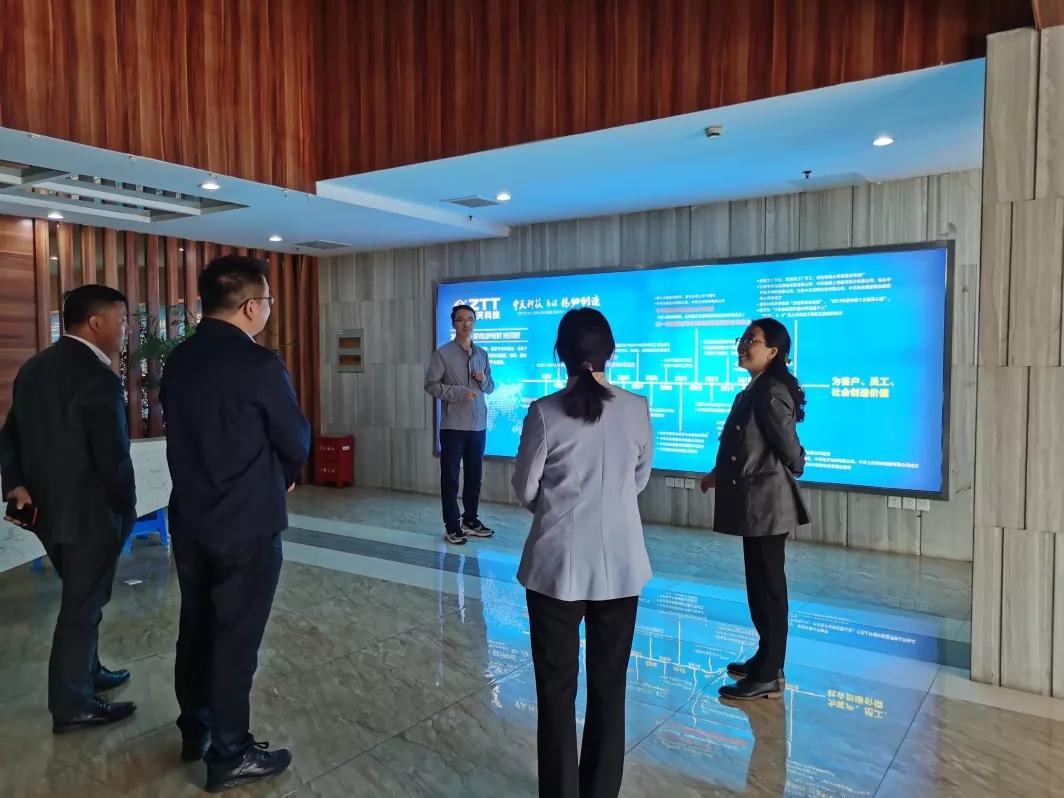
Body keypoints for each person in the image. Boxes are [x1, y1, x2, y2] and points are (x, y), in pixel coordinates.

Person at [161, 255, 310, 792]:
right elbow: (295, 439)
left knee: (197, 626)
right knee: (235, 639)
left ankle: (196, 730)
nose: (268, 310)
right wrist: (283, 475)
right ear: (250, 306)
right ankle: (230, 755)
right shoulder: (259, 365)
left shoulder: (179, 359)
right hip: (246, 523)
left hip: (191, 520)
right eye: (267, 301)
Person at [512, 307, 653, 798]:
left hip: (557, 567)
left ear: (561, 354)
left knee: (556, 692)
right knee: (609, 688)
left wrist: (559, 508)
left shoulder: (545, 411)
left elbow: (525, 488)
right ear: (611, 353)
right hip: (622, 566)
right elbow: (639, 480)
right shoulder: (636, 407)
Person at [0, 285, 137, 733]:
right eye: (122, 320)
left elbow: (9, 434)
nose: (127, 329)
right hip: (89, 518)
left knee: (84, 599)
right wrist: (128, 510)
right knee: (82, 605)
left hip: (46, 515)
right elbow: (113, 459)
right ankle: (73, 703)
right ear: (96, 323)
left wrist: (14, 484)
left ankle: (88, 672)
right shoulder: (98, 377)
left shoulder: (35, 367)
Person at [700, 317, 810, 700]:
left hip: (767, 503)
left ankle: (769, 674)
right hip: (757, 504)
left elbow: (787, 445)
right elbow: (745, 444)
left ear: (773, 351)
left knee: (768, 588)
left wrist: (798, 463)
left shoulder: (770, 391)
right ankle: (766, 658)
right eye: (743, 338)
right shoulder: (757, 388)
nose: (743, 345)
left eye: (752, 340)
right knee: (759, 584)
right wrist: (718, 473)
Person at [424, 303, 496, 545]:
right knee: (451, 478)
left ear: (474, 323)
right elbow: (430, 385)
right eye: (461, 319)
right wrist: (458, 392)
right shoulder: (443, 354)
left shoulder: (482, 354)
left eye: (470, 319)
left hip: (478, 426)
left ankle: (470, 520)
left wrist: (483, 379)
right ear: (454, 323)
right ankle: (452, 526)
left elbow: (490, 387)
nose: (466, 324)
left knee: (474, 477)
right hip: (453, 426)